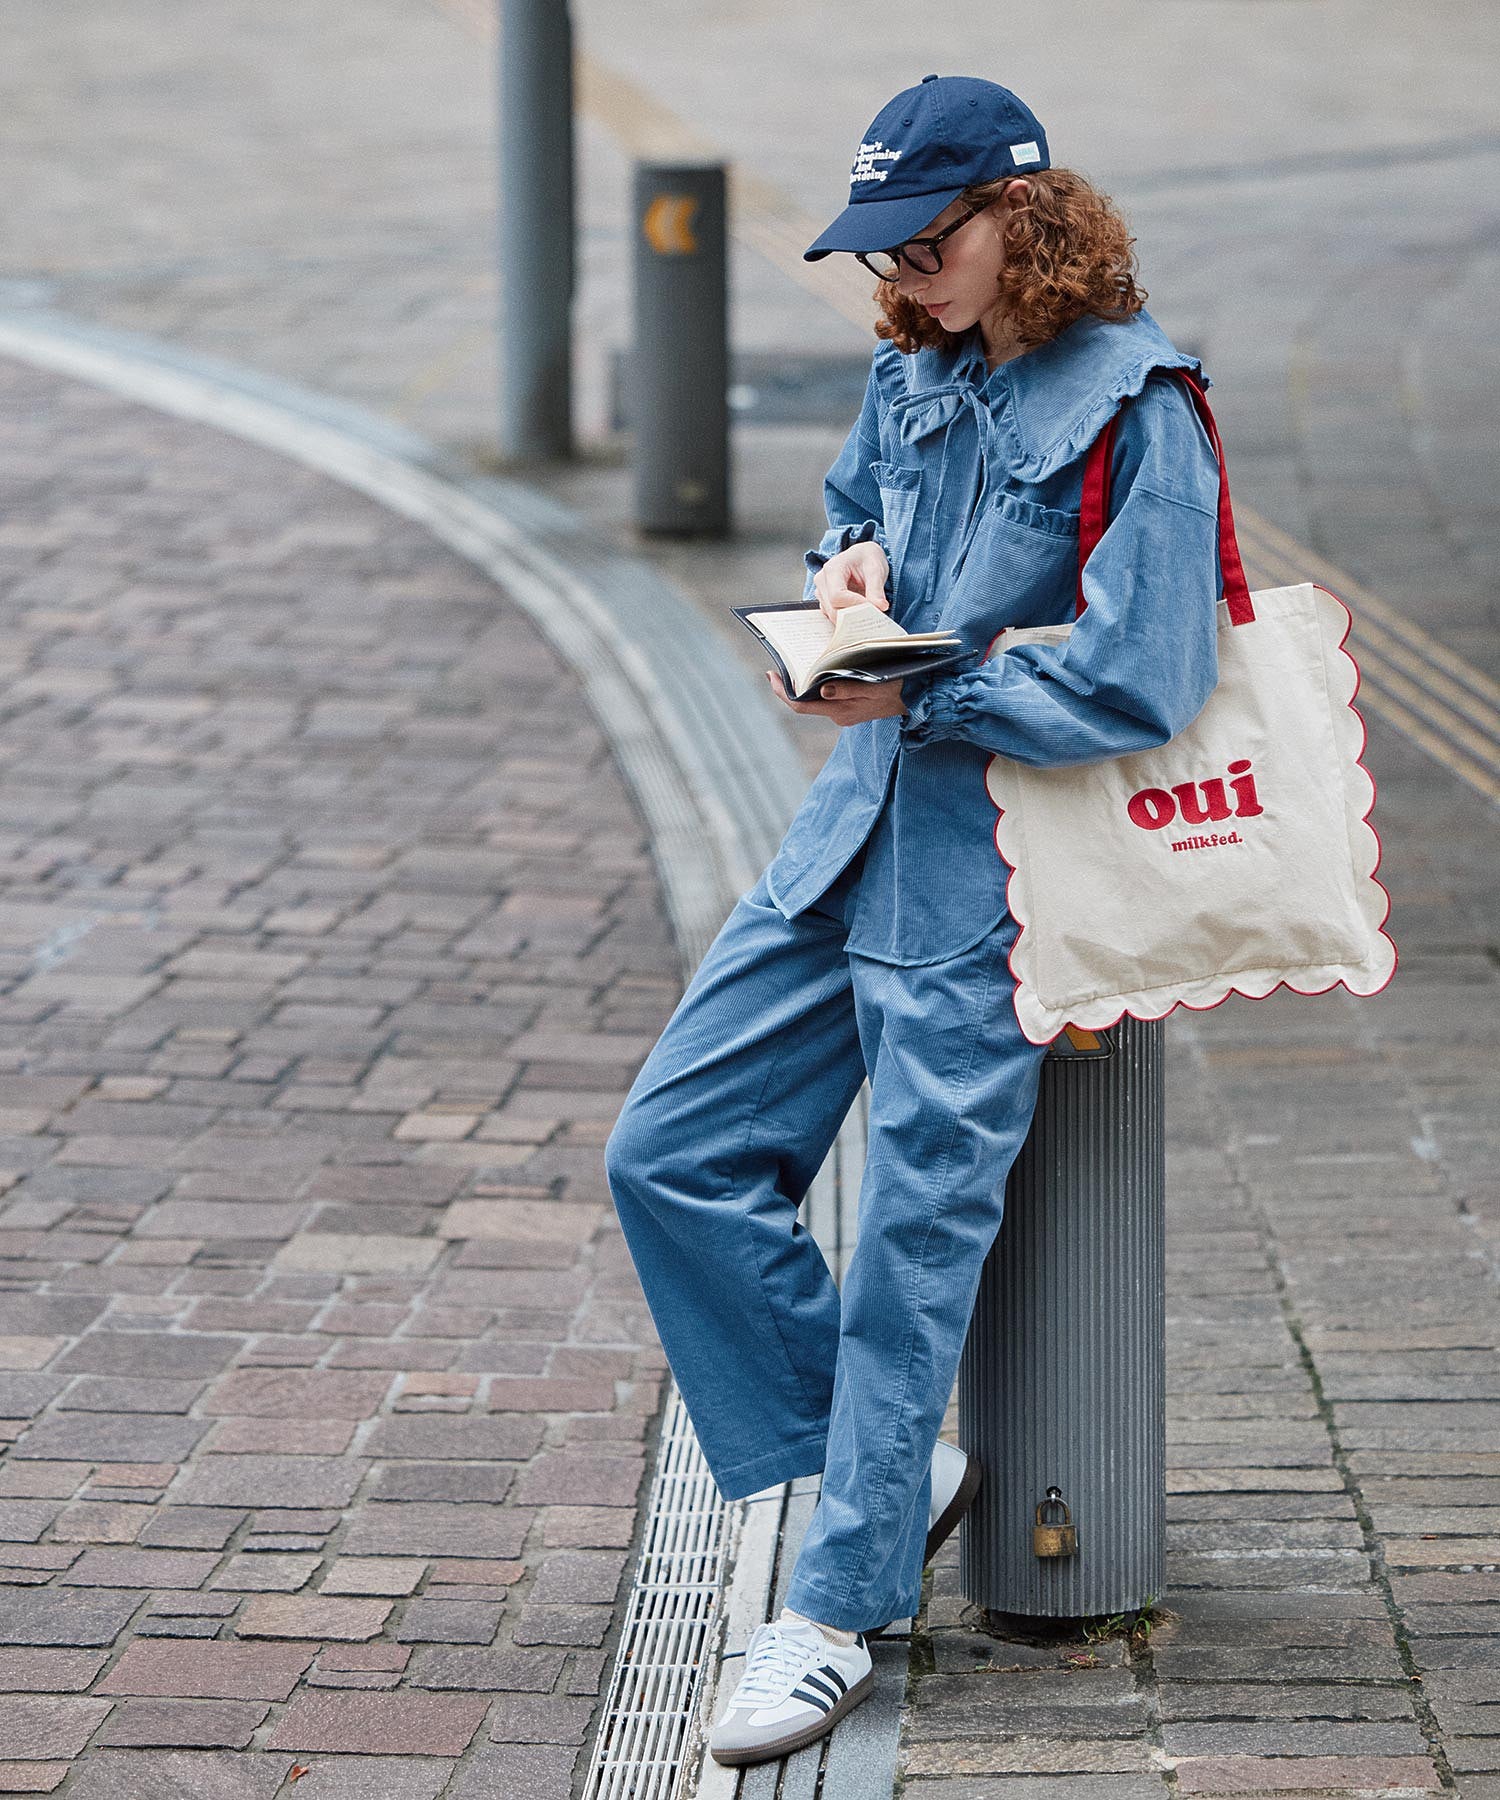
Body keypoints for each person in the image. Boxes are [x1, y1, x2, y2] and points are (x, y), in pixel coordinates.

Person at [604, 72, 1223, 1768]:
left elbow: (1147, 671)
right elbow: (854, 510)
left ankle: (835, 1611)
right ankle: (892, 1468)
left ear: (1020, 216)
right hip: (848, 837)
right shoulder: (914, 359)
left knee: (909, 1253)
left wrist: (924, 692)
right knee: (668, 1150)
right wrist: (851, 579)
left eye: (926, 242)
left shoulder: (1137, 404)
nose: (902, 276)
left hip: (991, 877)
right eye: (882, 247)